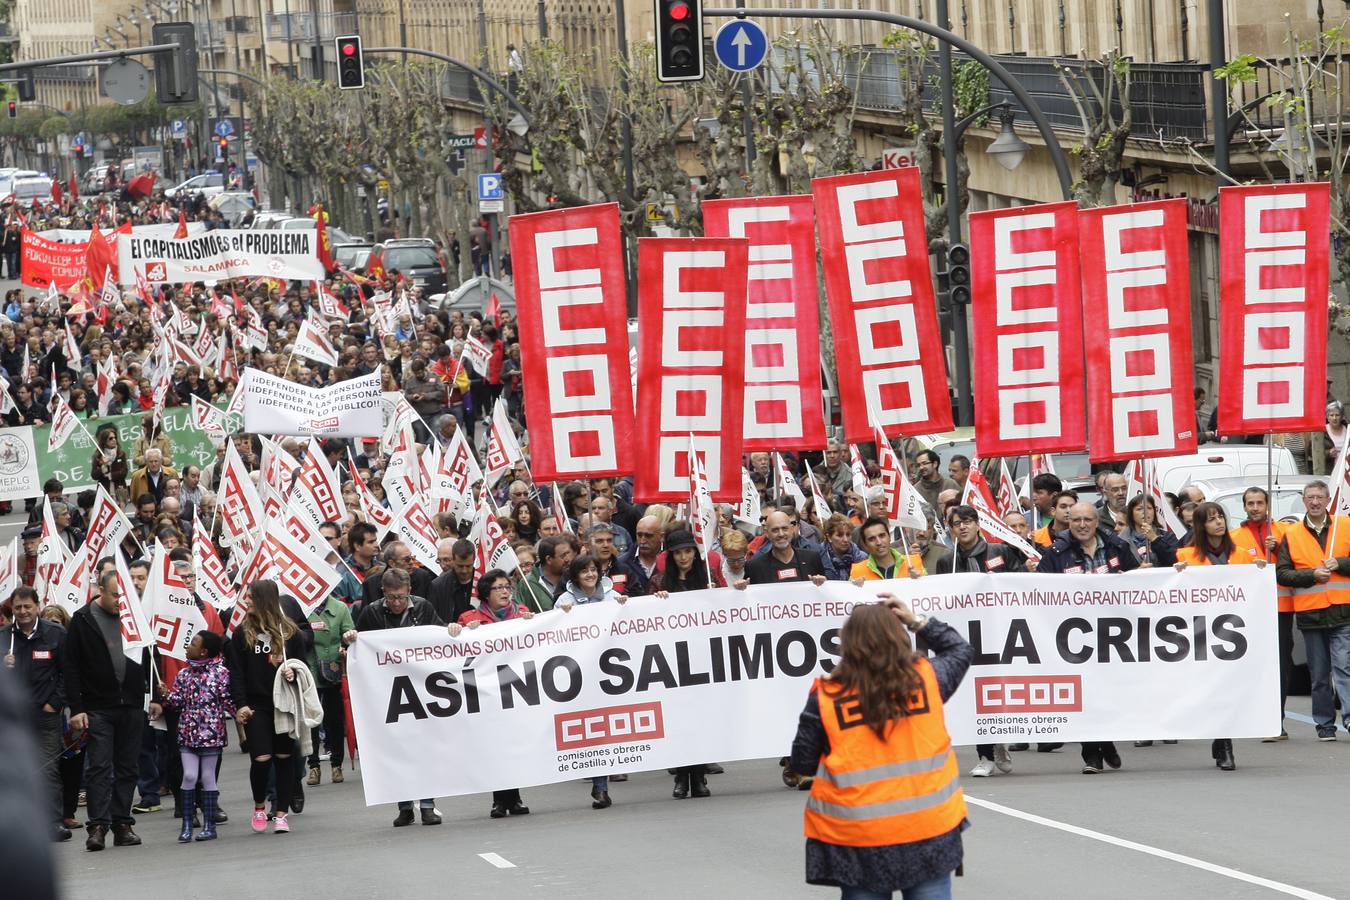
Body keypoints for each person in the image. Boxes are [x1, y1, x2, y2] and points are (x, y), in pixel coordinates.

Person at [789, 595, 972, 900]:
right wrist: (916, 621)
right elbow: (960, 649)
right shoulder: (928, 679)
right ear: (898, 637)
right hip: (929, 829)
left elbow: (802, 763)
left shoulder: (827, 698)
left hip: (859, 837)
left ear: (848, 644)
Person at [63, 569, 162, 851]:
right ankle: (98, 826)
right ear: (101, 592)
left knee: (128, 767)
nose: (121, 600)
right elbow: (71, 667)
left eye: (124, 594)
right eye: (116, 594)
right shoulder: (83, 620)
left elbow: (151, 655)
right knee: (99, 767)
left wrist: (154, 695)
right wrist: (77, 707)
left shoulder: (137, 616)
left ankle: (122, 823)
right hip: (97, 707)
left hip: (131, 705)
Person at [1037, 502, 1138, 774]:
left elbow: (1139, 581)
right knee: (1086, 695)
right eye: (1076, 520)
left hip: (1114, 635)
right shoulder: (1055, 554)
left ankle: (1107, 742)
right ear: (1068, 523)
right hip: (1074, 637)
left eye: (1087, 520)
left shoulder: (1117, 547)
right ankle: (1091, 754)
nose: (1082, 525)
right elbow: (1037, 592)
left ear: (1097, 523)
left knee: (1108, 693)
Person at [1175, 501, 1267, 771]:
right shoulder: (1186, 556)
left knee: (1228, 688)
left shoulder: (1242, 555)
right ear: (1201, 526)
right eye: (1211, 519)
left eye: (1220, 517)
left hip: (1232, 632)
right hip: (1200, 633)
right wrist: (1176, 574)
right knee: (1210, 689)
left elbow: (1253, 590)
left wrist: (1260, 572)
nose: (1218, 523)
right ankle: (1219, 738)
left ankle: (1225, 743)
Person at [347, 568, 444, 825]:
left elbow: (441, 638)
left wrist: (453, 630)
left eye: (401, 597)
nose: (397, 603)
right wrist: (351, 639)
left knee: (423, 749)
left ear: (409, 591)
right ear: (383, 594)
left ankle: (427, 805)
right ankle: (404, 805)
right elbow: (358, 646)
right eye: (391, 598)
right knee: (396, 749)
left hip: (420, 689)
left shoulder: (423, 608)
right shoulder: (371, 612)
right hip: (387, 691)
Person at [225, 580, 310, 836]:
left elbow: (303, 666)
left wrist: (293, 671)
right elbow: (236, 673)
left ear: (263, 600)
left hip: (283, 705)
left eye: (251, 597)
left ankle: (281, 813)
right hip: (256, 706)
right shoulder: (242, 634)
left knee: (285, 758)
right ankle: (260, 804)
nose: (247, 601)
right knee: (261, 759)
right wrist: (240, 705)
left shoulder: (290, 633)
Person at [449, 570, 535, 817]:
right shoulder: (469, 618)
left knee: (512, 745)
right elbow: (454, 646)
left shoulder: (522, 614)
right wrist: (461, 630)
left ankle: (515, 798)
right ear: (486, 593)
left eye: (508, 586)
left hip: (516, 689)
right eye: (499, 587)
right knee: (494, 747)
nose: (506, 591)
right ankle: (499, 800)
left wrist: (532, 622)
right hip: (486, 692)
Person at [1275, 480, 1350, 741]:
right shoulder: (1292, 533)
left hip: (1342, 611)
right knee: (1319, 675)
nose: (1315, 502)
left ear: (1328, 499)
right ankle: (1325, 725)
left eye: (1319, 497)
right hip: (1311, 614)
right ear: (1304, 501)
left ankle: (1349, 719)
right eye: (1310, 497)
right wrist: (1311, 575)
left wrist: (1340, 563)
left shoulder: (1345, 526)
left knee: (1344, 668)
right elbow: (1282, 574)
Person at [555, 554, 627, 809]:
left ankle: (604, 782)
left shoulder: (611, 595)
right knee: (592, 729)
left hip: (609, 672)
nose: (590, 575)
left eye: (593, 570)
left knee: (607, 728)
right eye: (584, 571)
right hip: (580, 673)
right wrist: (562, 616)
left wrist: (625, 605)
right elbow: (554, 633)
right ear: (575, 576)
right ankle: (599, 784)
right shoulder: (564, 601)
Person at [1, 586, 70, 842]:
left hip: (45, 714)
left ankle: (53, 822)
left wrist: (55, 702)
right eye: (17, 607)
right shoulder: (4, 637)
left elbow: (68, 672)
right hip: (13, 718)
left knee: (47, 769)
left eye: (27, 606)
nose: (23, 612)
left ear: (37, 606)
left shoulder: (55, 633)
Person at [1231, 487, 1291, 741]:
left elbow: (1297, 565)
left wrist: (1277, 549)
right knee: (1252, 664)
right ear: (1244, 507)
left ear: (1267, 506)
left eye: (1259, 503)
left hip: (1280, 608)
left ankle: (1276, 719)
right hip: (1250, 612)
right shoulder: (1234, 536)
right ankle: (1253, 716)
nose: (1255, 507)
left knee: (1280, 665)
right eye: (1250, 503)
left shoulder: (1284, 532)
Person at [163, 631, 235, 841]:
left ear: (203, 650)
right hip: (188, 733)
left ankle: (209, 826)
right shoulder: (184, 674)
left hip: (212, 733)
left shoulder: (221, 673)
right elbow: (177, 703)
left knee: (207, 777)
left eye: (193, 642)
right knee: (189, 775)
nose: (188, 645)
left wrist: (240, 713)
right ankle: (187, 824)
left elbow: (227, 699)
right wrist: (166, 694)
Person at [305, 591, 354, 787]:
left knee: (335, 720)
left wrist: (346, 643)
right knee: (311, 721)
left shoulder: (340, 608)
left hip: (333, 669)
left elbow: (349, 634)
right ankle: (314, 766)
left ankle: (336, 764)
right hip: (309, 669)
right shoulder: (302, 608)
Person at [745, 511, 827, 588]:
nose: (781, 534)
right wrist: (740, 589)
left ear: (791, 529)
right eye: (775, 530)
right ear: (767, 533)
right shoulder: (754, 567)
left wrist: (822, 583)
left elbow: (826, 591)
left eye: (784, 528)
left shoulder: (812, 558)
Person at [850, 517, 922, 581]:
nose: (879, 542)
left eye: (882, 536)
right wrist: (856, 589)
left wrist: (919, 581)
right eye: (871, 539)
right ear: (865, 545)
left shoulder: (913, 563)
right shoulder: (857, 572)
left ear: (889, 537)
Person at [1119, 495, 1178, 567]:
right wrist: (1137, 571)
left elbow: (1174, 560)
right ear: (1131, 514)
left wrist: (1155, 539)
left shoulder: (1168, 537)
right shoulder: (1120, 540)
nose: (1145, 512)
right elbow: (1118, 570)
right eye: (1139, 509)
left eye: (1149, 508)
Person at [822, 513, 867, 581]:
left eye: (848, 535)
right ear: (829, 537)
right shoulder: (819, 557)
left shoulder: (862, 557)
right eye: (839, 535)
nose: (845, 540)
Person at [913, 449, 957, 514]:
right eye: (919, 465)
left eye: (924, 463)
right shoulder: (915, 490)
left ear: (935, 464)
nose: (921, 467)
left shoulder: (951, 484)